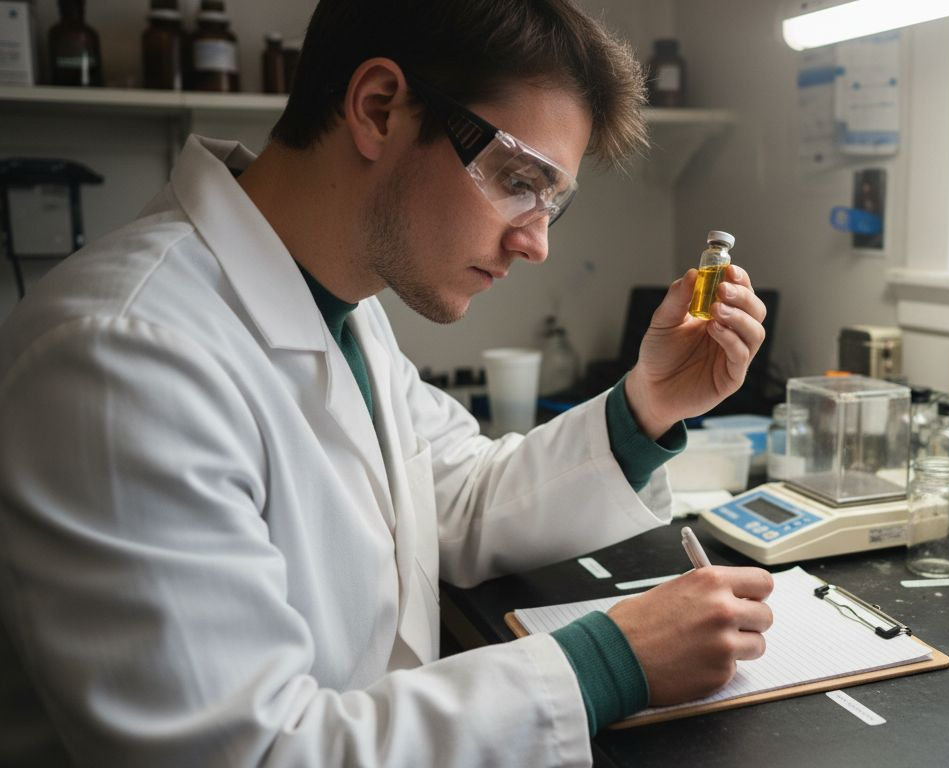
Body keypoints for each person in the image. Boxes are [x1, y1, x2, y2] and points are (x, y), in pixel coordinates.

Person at [0, 1, 773, 765]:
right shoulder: (120, 357)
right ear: (377, 109)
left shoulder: (344, 307)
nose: (535, 241)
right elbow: (249, 754)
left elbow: (456, 497)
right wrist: (605, 664)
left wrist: (651, 404)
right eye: (516, 178)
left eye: (552, 202)